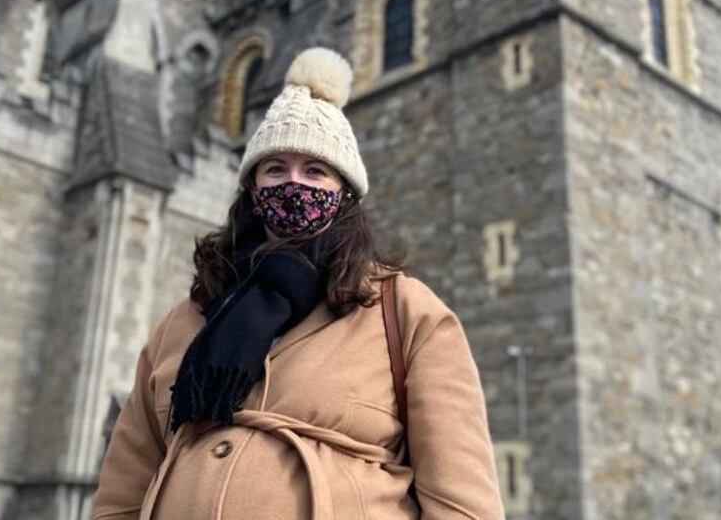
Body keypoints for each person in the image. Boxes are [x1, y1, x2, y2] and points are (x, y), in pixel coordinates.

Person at [89, 47, 505, 519]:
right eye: (275, 169)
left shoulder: (407, 313)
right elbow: (122, 490)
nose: (293, 185)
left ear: (344, 193)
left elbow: (462, 505)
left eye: (314, 171)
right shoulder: (186, 320)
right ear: (251, 189)